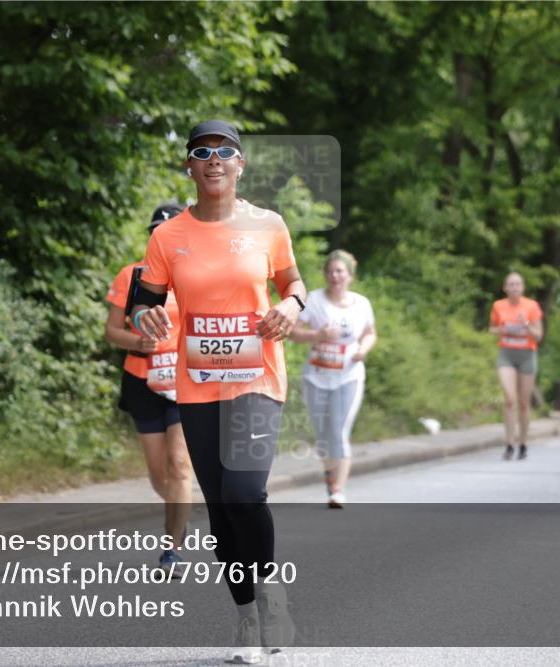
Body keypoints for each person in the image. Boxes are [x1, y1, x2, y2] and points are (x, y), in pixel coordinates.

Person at [132, 120, 305, 662]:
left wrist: (291, 307)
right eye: (201, 152)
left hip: (257, 379)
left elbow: (293, 283)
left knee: (244, 493)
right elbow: (143, 299)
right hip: (199, 386)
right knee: (220, 507)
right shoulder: (168, 237)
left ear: (240, 164)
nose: (213, 160)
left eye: (224, 152)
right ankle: (246, 619)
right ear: (189, 165)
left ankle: (271, 597)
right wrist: (145, 319)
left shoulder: (268, 225)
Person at [104, 204, 192, 567]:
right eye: (158, 231)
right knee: (160, 475)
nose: (164, 237)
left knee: (179, 463)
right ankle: (178, 512)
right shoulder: (131, 275)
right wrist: (136, 342)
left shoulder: (195, 276)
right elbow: (112, 332)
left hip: (184, 381)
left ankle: (172, 547)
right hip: (142, 379)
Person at [289, 250, 376, 508]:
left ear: (349, 275)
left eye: (340, 271)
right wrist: (318, 334)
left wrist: (363, 349)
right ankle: (330, 477)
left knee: (339, 431)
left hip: (349, 376)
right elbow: (293, 332)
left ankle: (338, 489)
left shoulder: (361, 303)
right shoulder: (314, 300)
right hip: (316, 377)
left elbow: (371, 333)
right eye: (330, 271)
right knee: (323, 434)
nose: (334, 276)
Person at [488, 272, 543, 460]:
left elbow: (538, 335)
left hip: (527, 355)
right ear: (505, 288)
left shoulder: (531, 306)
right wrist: (500, 330)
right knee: (510, 399)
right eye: (511, 284)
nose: (515, 288)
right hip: (506, 354)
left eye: (518, 284)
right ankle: (509, 443)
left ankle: (523, 442)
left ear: (523, 287)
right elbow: (492, 328)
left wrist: (525, 324)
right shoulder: (498, 306)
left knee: (524, 403)